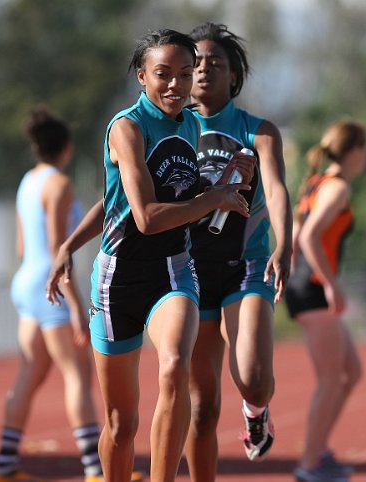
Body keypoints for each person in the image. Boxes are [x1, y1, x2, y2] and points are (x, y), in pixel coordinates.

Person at [45, 29, 250, 481]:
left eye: (184, 74)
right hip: (117, 279)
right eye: (163, 75)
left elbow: (130, 198)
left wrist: (225, 181)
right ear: (142, 76)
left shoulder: (192, 124)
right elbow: (143, 216)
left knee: (175, 364)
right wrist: (215, 199)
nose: (176, 85)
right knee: (122, 423)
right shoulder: (127, 127)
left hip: (174, 270)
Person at [182, 22, 293, 481]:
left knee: (252, 376)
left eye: (217, 63)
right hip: (187, 272)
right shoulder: (169, 129)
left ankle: (256, 409)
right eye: (198, 63)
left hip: (246, 265)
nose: (205, 70)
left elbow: (278, 189)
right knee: (202, 406)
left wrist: (285, 245)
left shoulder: (257, 131)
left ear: (233, 78)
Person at [0, 106, 115, 482]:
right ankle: (96, 470)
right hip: (51, 287)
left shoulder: (27, 181)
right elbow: (57, 250)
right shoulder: (59, 185)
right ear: (67, 149)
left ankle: (5, 465)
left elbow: (23, 246)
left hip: (27, 283)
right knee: (78, 376)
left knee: (30, 372)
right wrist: (76, 304)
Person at [285, 120, 366, 482]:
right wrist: (330, 284)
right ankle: (308, 464)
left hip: (305, 284)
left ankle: (318, 451)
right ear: (354, 152)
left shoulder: (316, 183)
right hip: (314, 288)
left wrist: (288, 275)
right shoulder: (336, 189)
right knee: (331, 380)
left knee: (351, 373)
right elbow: (308, 238)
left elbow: (295, 235)